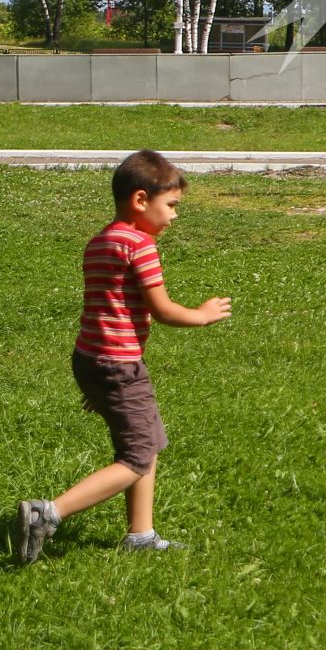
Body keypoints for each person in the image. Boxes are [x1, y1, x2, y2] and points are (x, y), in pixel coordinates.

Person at [16, 150, 231, 564]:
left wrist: (97, 384)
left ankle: (141, 534)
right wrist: (202, 316)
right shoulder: (140, 246)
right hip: (119, 364)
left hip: (92, 359)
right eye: (170, 206)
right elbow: (162, 310)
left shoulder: (99, 242)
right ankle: (50, 512)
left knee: (144, 442)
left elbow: (102, 308)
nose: (173, 217)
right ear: (140, 201)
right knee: (136, 457)